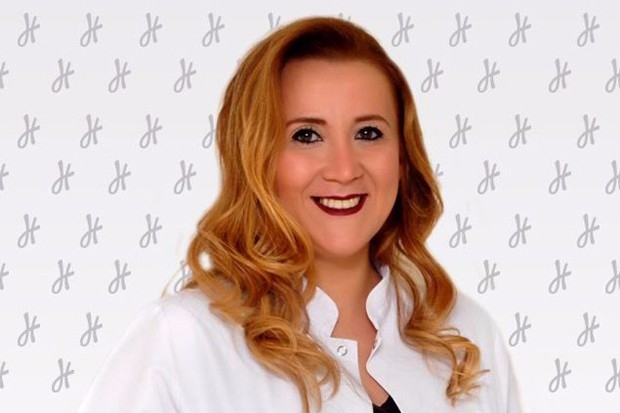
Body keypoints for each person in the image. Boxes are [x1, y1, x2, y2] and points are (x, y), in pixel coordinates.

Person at [77, 16, 522, 413]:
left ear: (403, 156)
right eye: (307, 135)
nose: (344, 169)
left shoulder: (465, 336)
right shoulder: (184, 340)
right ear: (256, 157)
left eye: (369, 133)